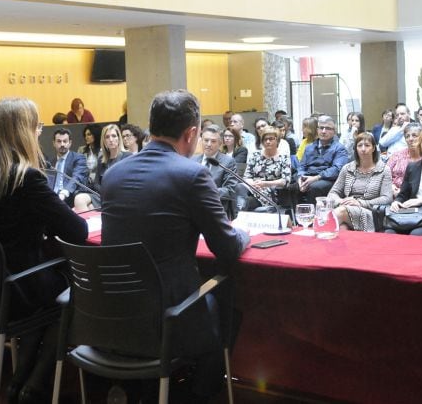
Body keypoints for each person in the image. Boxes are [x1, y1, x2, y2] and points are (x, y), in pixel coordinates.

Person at [101, 90, 249, 403]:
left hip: (109, 313)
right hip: (167, 318)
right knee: (227, 306)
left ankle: (148, 391)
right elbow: (227, 248)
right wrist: (245, 234)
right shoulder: (192, 175)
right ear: (191, 133)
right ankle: (191, 396)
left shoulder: (113, 174)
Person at [0, 97, 88, 403]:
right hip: (18, 289)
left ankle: (20, 380)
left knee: (44, 298)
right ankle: (34, 382)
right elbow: (77, 231)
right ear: (24, 132)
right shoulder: (27, 177)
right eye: (38, 127)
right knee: (71, 294)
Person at [327, 132, 392, 232]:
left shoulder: (384, 170)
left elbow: (387, 198)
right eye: (360, 145)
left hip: (370, 213)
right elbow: (332, 193)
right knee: (342, 228)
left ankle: (319, 232)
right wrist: (341, 201)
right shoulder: (347, 168)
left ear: (374, 148)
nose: (363, 149)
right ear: (356, 148)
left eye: (367, 145)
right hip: (346, 208)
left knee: (341, 212)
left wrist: (360, 203)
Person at [295, 115, 350, 204]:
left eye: (328, 128)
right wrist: (300, 177)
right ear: (317, 130)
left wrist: (316, 178)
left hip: (327, 179)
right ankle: (296, 216)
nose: (324, 131)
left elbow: (337, 169)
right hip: (308, 176)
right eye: (321, 128)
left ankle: (314, 216)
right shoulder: (309, 147)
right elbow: (302, 166)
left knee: (315, 187)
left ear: (334, 131)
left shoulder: (339, 148)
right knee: (294, 186)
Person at [238, 126, 291, 211]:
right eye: (265, 139)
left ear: (277, 140)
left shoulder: (284, 157)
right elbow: (247, 177)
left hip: (270, 192)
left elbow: (285, 181)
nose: (268, 141)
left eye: (271, 139)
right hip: (252, 188)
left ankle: (237, 216)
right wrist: (254, 185)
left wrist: (264, 183)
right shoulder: (255, 155)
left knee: (245, 202)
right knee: (240, 187)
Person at [194, 125, 238, 220]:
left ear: (220, 143)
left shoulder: (228, 162)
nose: (209, 144)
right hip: (192, 209)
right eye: (206, 140)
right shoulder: (192, 160)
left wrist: (204, 193)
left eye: (213, 141)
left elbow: (230, 190)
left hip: (216, 210)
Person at [45, 128, 88, 207]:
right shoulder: (50, 163)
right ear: (53, 143)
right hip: (52, 197)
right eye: (59, 141)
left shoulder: (79, 158)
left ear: (70, 143)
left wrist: (63, 193)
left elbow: (76, 178)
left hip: (69, 196)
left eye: (65, 141)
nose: (62, 144)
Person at [387, 122, 422, 197]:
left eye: (414, 135)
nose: (410, 139)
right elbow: (385, 175)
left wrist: (403, 193)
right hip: (393, 195)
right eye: (407, 136)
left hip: (416, 197)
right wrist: (392, 187)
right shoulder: (397, 155)